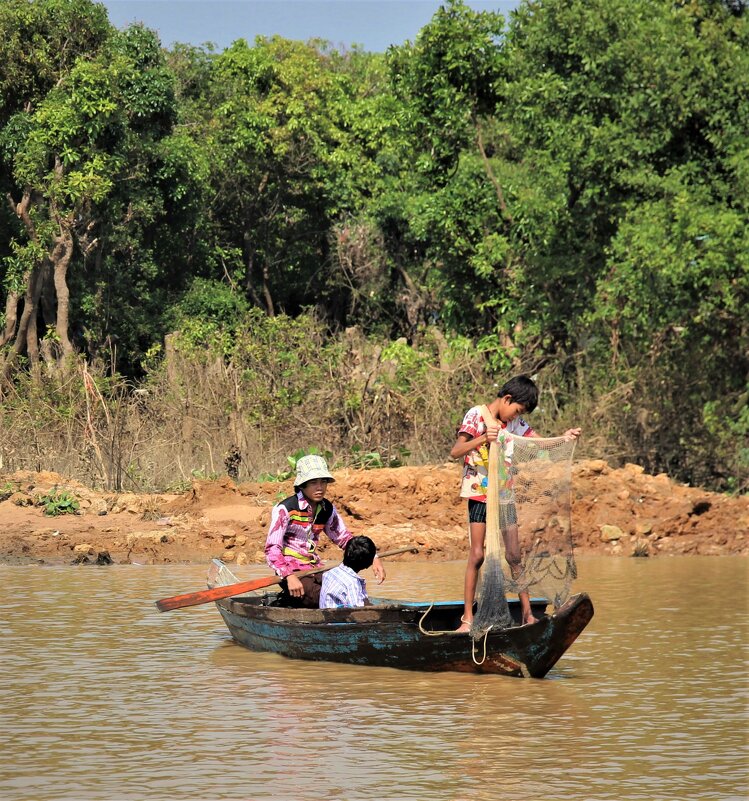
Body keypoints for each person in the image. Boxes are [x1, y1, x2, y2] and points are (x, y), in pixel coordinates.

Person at [450, 375, 581, 632]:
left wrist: (563, 439)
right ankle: (467, 619)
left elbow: (539, 446)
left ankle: (528, 616)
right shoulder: (477, 415)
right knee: (477, 555)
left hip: (505, 495)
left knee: (514, 556)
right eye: (517, 410)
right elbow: (456, 451)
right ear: (507, 399)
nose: (515, 417)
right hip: (480, 494)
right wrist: (483, 439)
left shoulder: (516, 424)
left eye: (520, 414)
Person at [265, 454, 385, 608]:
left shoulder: (326, 509)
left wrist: (374, 557)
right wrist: (289, 576)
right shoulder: (285, 509)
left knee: (347, 587)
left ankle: (368, 613)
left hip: (316, 567)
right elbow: (272, 549)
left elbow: (344, 539)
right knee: (319, 597)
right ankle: (288, 599)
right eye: (314, 482)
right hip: (292, 571)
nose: (320, 487)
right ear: (302, 485)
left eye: (323, 482)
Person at [319, 535, 377, 608]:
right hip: (338, 618)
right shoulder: (352, 583)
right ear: (368, 563)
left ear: (345, 553)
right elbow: (359, 614)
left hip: (327, 615)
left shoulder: (329, 573)